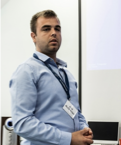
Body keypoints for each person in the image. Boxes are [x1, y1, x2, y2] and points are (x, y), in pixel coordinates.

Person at [9, 10, 93, 145]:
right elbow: (22, 123)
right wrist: (69, 139)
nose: (54, 33)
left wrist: (84, 128)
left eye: (57, 29)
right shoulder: (26, 71)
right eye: (46, 29)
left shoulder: (67, 75)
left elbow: (75, 112)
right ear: (34, 36)